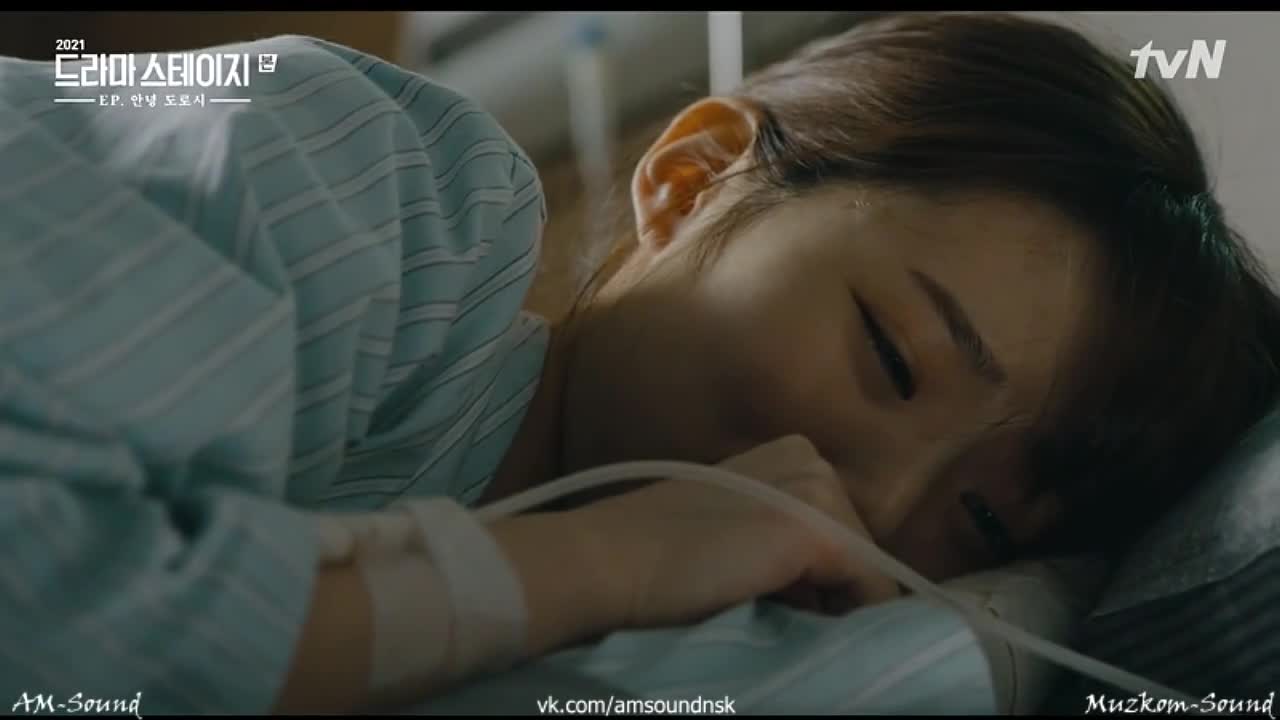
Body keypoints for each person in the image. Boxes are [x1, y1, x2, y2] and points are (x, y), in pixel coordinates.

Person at [1, 10, 1276, 715]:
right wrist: (603, 558)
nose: (878, 503)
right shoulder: (384, 194)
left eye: (982, 519)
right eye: (893, 358)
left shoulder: (691, 666)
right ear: (692, 176)